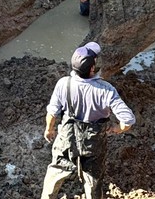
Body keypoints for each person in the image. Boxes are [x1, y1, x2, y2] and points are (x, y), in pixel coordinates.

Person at [41, 42, 135, 199]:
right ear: (92, 68)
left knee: (56, 171)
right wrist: (118, 129)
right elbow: (128, 120)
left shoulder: (63, 84)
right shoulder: (106, 89)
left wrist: (49, 130)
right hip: (93, 143)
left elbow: (52, 113)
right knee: (93, 180)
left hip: (67, 140)